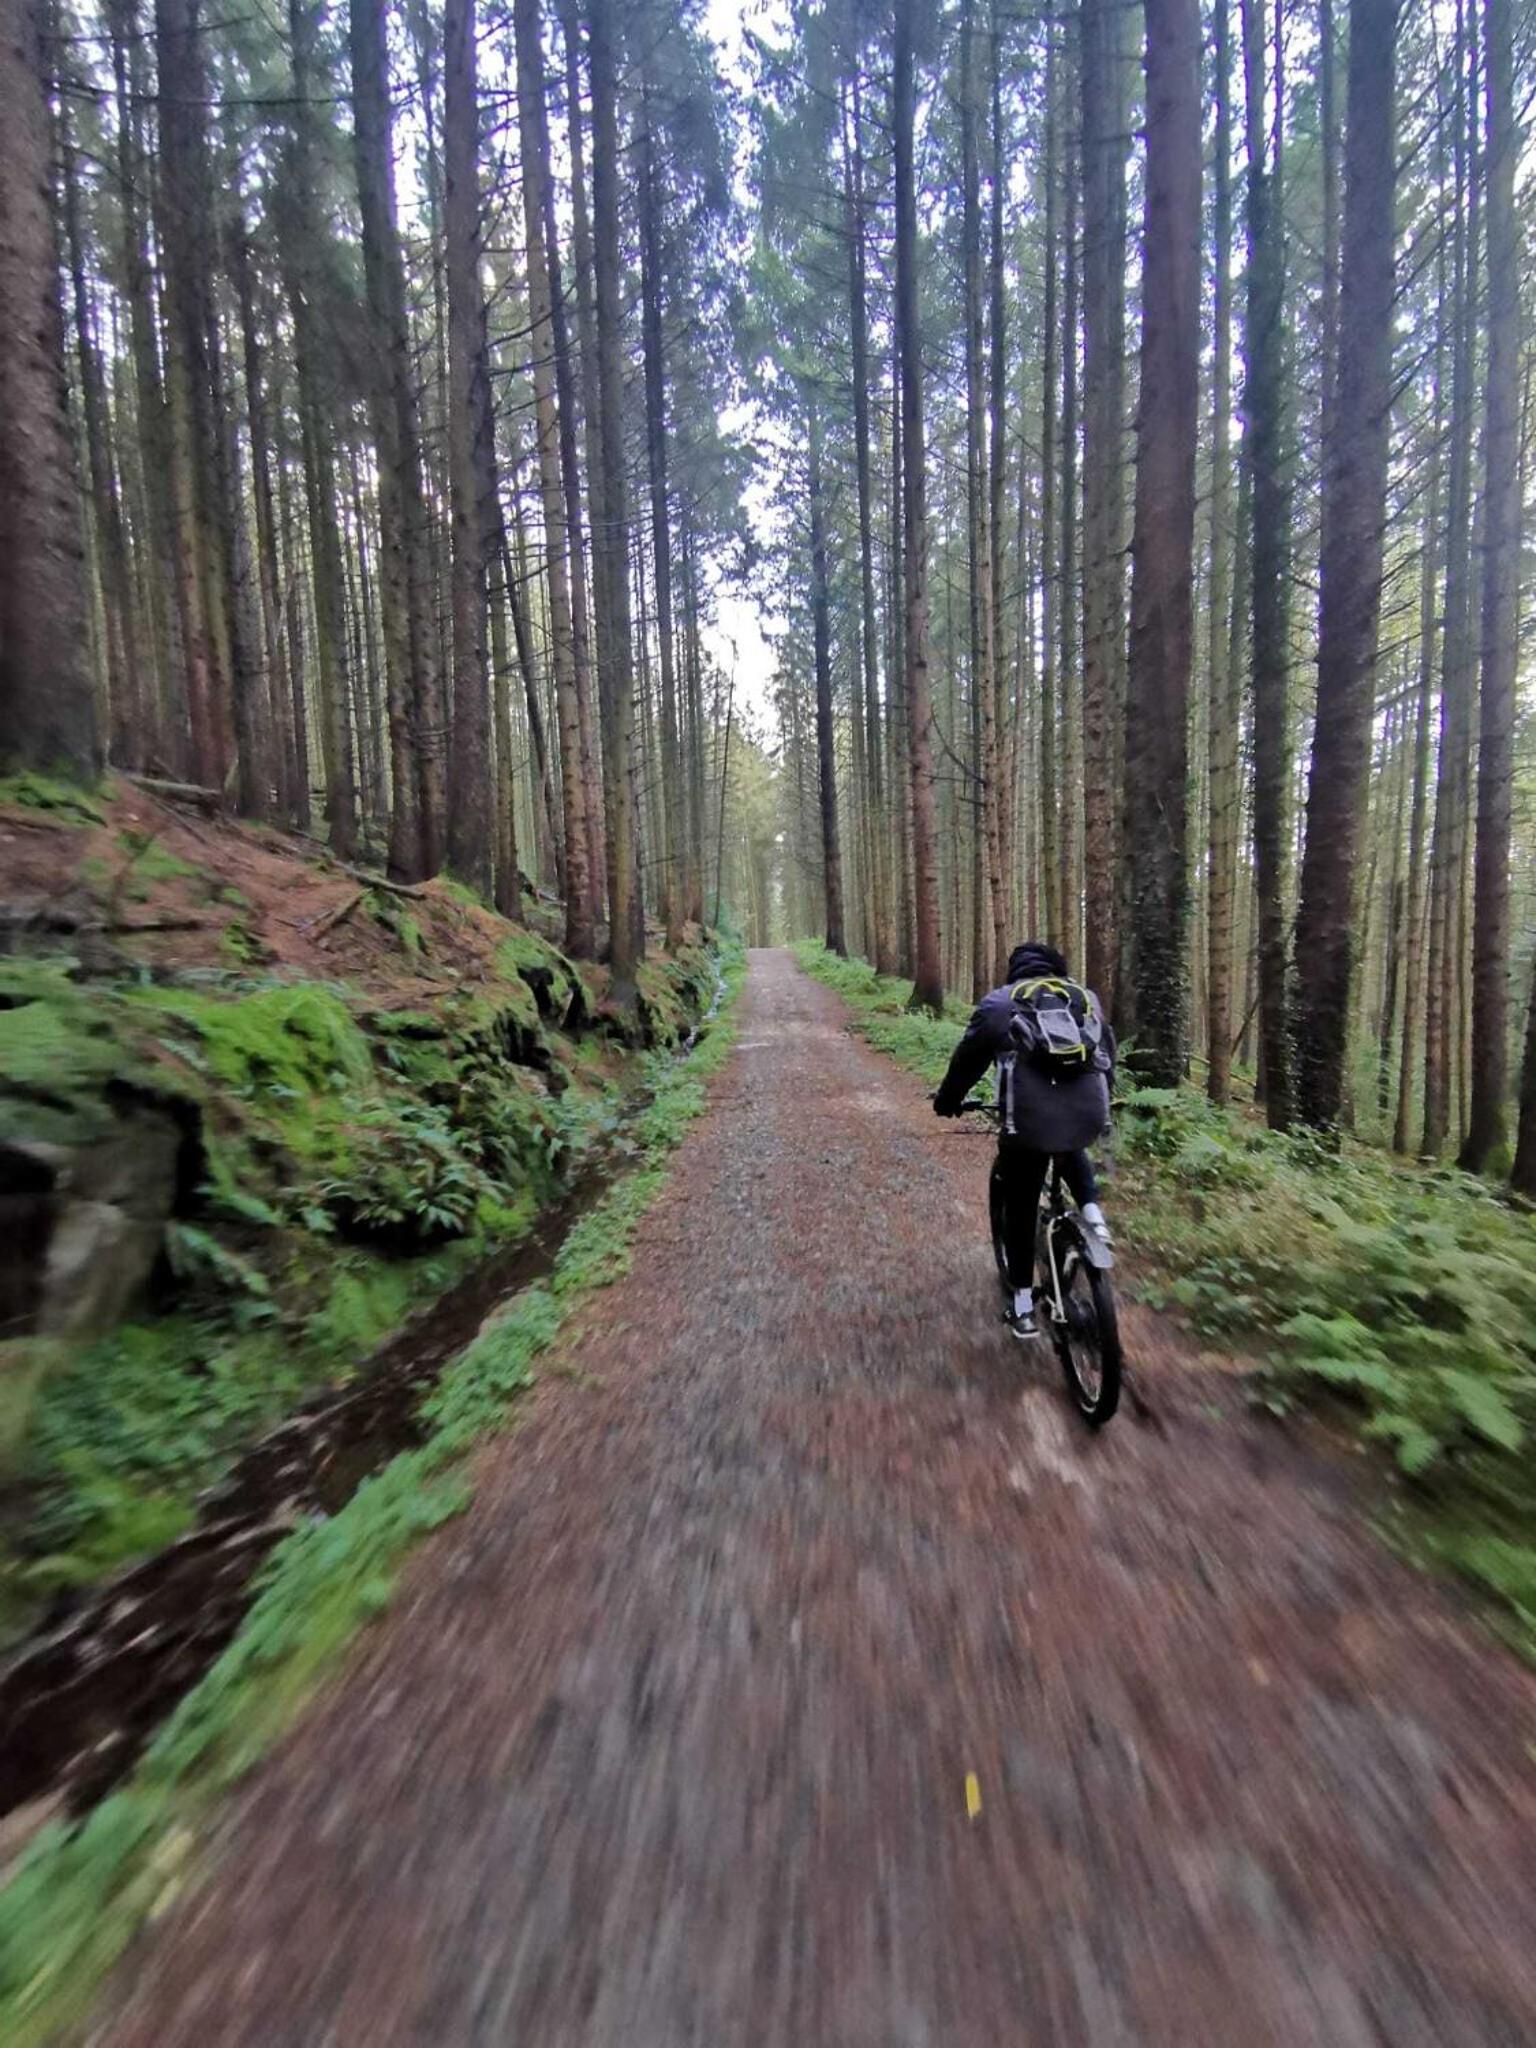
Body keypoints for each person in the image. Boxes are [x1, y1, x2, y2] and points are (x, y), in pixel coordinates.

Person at [933, 941, 1114, 1338]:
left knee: (1021, 1204)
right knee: (1072, 1146)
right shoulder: (1085, 998)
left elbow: (969, 1058)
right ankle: (1095, 1219)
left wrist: (949, 1100)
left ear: (1016, 971)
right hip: (1088, 1113)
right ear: (1057, 967)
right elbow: (1106, 1056)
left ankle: (1021, 1306)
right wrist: (1103, 1107)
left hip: (1028, 1126)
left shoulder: (1001, 1004)